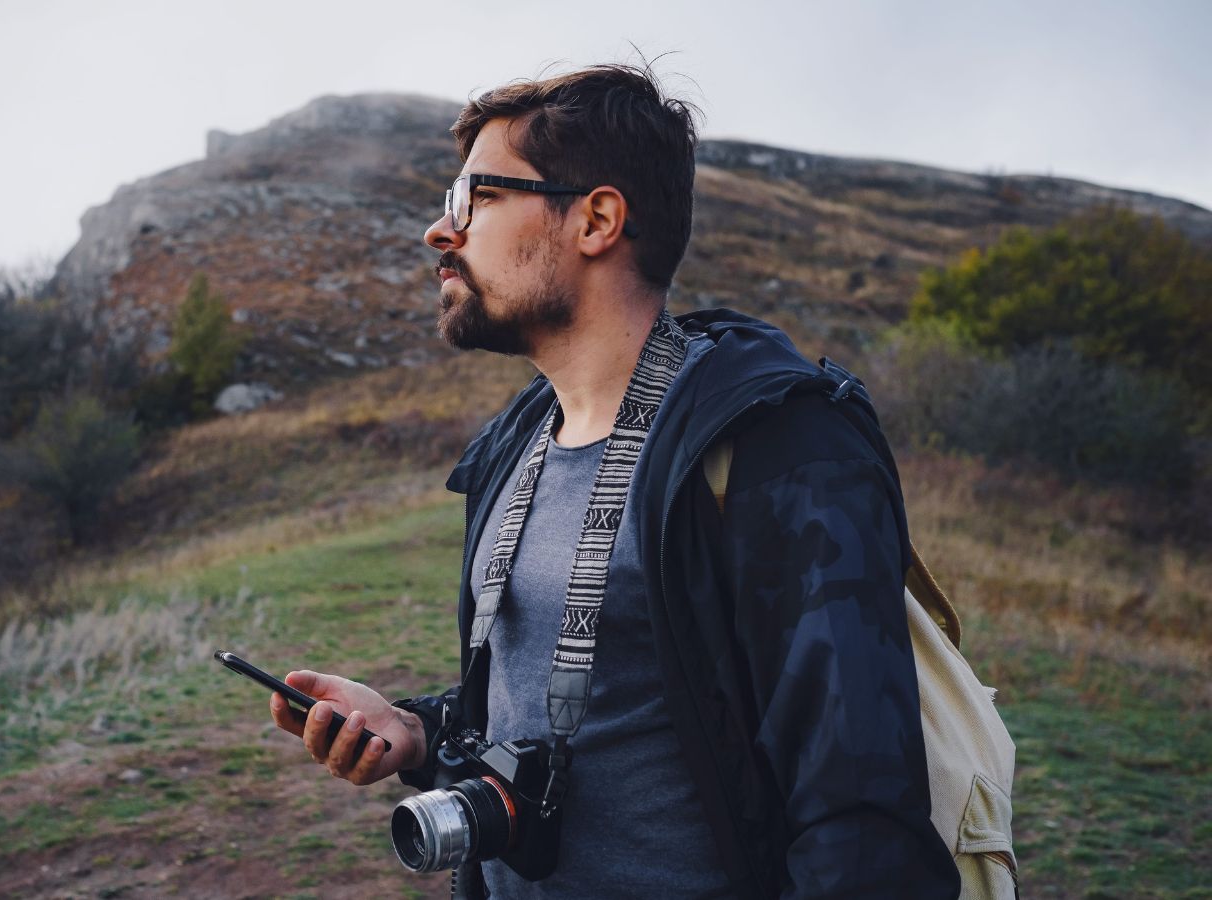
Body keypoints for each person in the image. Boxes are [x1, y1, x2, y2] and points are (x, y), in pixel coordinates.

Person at [267, 63, 960, 899]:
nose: (439, 231)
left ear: (596, 219)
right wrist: (413, 730)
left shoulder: (778, 449)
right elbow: (568, 714)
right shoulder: (516, 445)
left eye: (476, 198)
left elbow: (858, 822)